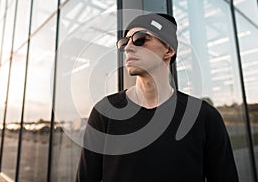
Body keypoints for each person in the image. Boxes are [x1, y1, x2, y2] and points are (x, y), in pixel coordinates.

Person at [76, 13, 239, 182]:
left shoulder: (204, 117)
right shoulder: (105, 112)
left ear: (168, 50)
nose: (128, 48)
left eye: (140, 39)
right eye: (124, 42)